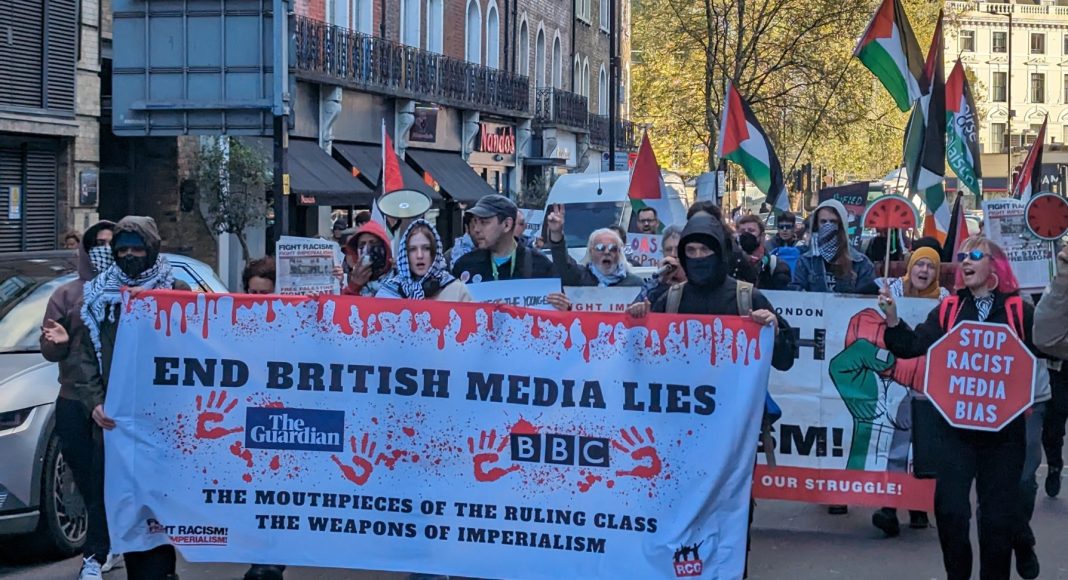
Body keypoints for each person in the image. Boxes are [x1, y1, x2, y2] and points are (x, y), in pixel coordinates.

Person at [880, 237, 1043, 580]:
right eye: (962, 256)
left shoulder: (1018, 310)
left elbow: (1049, 345)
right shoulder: (950, 309)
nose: (965, 261)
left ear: (994, 265)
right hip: (955, 432)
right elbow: (912, 346)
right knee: (951, 512)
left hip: (1004, 434)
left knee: (996, 520)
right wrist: (892, 319)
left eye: (976, 255)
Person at [645, 212, 795, 579]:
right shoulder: (672, 298)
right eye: (690, 250)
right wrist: (639, 319)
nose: (697, 258)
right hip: (680, 435)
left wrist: (773, 330)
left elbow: (786, 359)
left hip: (734, 437)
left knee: (732, 514)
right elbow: (645, 361)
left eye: (705, 250)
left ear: (721, 252)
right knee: (679, 517)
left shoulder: (747, 298)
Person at [76, 217, 190, 580]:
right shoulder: (98, 294)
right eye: (121, 249)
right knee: (122, 505)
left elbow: (195, 347)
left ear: (151, 248)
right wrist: (94, 401)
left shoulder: (175, 288)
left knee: (157, 508)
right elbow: (84, 357)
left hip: (162, 423)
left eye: (136, 248)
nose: (128, 256)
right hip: (115, 425)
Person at [39, 221, 121, 580]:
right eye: (98, 243)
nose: (104, 249)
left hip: (116, 402)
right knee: (86, 476)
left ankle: (98, 549)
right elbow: (51, 347)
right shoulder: (67, 295)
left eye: (111, 243)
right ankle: (104, 540)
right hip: (74, 397)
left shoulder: (131, 291)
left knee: (108, 477)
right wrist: (54, 343)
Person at [451, 195, 555, 284]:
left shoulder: (539, 264)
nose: (476, 229)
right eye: (475, 222)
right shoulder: (465, 266)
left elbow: (552, 304)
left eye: (484, 222)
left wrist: (563, 306)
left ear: (507, 225)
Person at [1035, 244, 1068, 500]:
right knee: (1053, 427)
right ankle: (1054, 464)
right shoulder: (1057, 283)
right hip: (1058, 367)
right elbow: (1046, 335)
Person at [789, 199, 875, 293]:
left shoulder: (861, 264)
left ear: (842, 225)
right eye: (823, 221)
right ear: (816, 225)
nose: (828, 226)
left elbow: (866, 300)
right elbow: (796, 296)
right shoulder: (805, 262)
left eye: (833, 222)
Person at [544, 206, 643, 288]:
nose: (607, 252)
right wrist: (556, 233)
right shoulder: (580, 278)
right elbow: (562, 263)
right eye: (600, 248)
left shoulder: (635, 284)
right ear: (591, 251)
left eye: (613, 248)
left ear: (620, 253)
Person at [377, 219, 473, 302]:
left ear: (434, 252)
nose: (419, 255)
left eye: (426, 248)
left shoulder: (457, 291)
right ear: (406, 255)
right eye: (412, 249)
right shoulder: (389, 292)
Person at [628, 225, 685, 317]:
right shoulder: (654, 284)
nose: (673, 254)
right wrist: (662, 282)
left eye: (678, 249)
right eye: (668, 250)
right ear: (663, 254)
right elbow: (634, 310)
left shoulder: (696, 280)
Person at [736, 215, 791, 290]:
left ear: (762, 236)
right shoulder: (732, 264)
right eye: (742, 231)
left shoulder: (776, 266)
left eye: (751, 230)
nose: (746, 234)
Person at [341, 221, 394, 297]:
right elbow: (343, 307)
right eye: (362, 244)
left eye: (373, 243)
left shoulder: (398, 278)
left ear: (385, 248)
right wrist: (354, 286)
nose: (366, 249)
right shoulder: (352, 279)